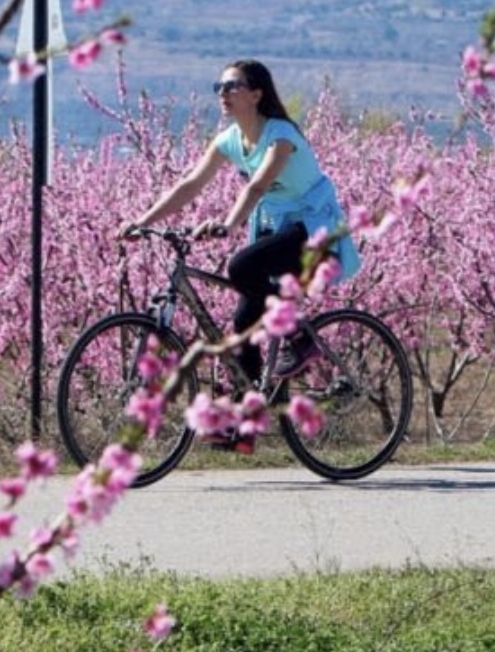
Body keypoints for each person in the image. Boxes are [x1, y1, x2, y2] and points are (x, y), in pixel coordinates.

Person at [120, 59, 360, 415]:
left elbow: (258, 184)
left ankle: (300, 339)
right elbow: (190, 184)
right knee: (243, 322)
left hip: (314, 227)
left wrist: (229, 224)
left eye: (232, 86)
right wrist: (142, 221)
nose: (224, 94)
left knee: (242, 265)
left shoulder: (281, 136)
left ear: (256, 94)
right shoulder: (229, 140)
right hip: (276, 227)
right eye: (220, 87)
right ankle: (251, 409)